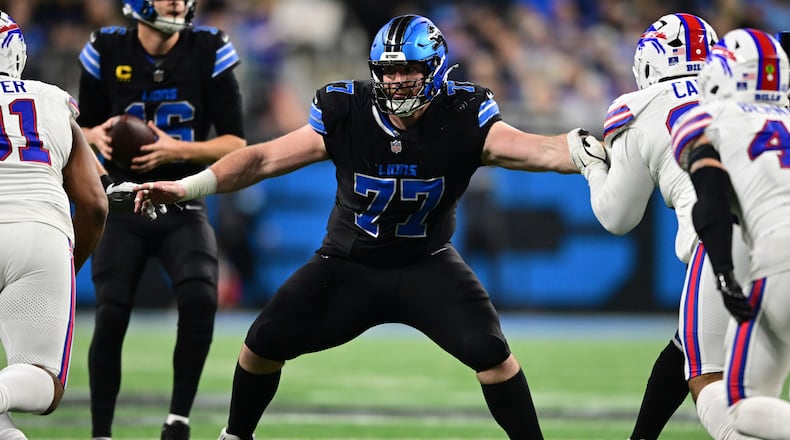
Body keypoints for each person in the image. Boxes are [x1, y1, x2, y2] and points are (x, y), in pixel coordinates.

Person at [132, 13, 595, 440]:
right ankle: (235, 436)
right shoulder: (345, 109)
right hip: (347, 263)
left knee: (493, 356)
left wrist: (584, 151)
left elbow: (537, 150)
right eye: (387, 70)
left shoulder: (463, 113)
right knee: (261, 344)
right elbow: (264, 158)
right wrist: (189, 187)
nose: (395, 81)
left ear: (434, 68)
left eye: (407, 70)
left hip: (427, 264)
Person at [568, 13, 753, 440]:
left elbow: (618, 218)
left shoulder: (641, 106)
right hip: (775, 224)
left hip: (728, 237)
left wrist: (594, 168)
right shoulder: (745, 92)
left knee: (707, 380)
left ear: (649, 63)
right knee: (686, 345)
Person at [76, 0, 246, 438]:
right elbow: (81, 130)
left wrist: (178, 151)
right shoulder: (107, 47)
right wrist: (93, 135)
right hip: (122, 199)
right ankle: (101, 432)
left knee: (200, 299)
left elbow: (235, 142)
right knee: (111, 312)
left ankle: (178, 420)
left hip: (180, 198)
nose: (177, 2)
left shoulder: (209, 46)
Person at [672, 27, 790, 440]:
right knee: (747, 407)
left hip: (778, 262)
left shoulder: (706, 118)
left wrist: (723, 272)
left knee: (739, 404)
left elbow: (712, 203)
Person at [0, 11, 108, 440]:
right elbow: (95, 204)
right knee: (43, 378)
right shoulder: (48, 98)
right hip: (40, 234)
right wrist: (67, 265)